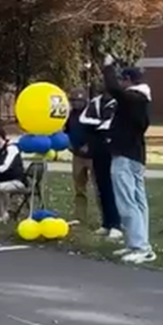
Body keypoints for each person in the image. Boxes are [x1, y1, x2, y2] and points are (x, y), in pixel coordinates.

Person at [102, 55, 153, 264]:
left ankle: (140, 246)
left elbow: (114, 89)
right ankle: (139, 244)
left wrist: (108, 67)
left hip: (124, 155)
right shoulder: (140, 100)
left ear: (129, 80)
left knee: (127, 202)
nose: (121, 83)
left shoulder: (134, 99)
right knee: (139, 202)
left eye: (123, 80)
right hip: (136, 155)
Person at [80, 85, 122, 239]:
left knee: (112, 188)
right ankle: (106, 223)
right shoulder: (95, 102)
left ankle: (116, 224)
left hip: (111, 149)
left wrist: (97, 124)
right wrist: (99, 123)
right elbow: (83, 119)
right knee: (101, 187)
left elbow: (111, 123)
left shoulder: (117, 102)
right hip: (96, 149)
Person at [64, 91, 94, 225]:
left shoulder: (91, 113)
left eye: (79, 101)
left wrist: (89, 145)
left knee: (99, 187)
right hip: (77, 155)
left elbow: (96, 131)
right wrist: (69, 144)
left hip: (92, 156)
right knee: (79, 187)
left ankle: (106, 219)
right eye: (73, 101)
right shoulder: (71, 115)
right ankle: (80, 217)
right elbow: (67, 131)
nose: (76, 103)